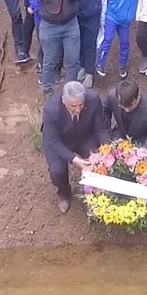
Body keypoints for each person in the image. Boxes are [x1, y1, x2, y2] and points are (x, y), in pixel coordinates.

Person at [43, 81, 110, 213]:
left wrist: (106, 148)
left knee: (98, 163)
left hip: (85, 136)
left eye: (81, 104)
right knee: (57, 171)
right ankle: (64, 193)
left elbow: (101, 128)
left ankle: (96, 194)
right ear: (64, 101)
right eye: (73, 106)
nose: (78, 109)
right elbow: (53, 141)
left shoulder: (94, 99)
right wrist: (74, 159)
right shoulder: (51, 109)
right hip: (60, 141)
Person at [28, 0, 84, 92]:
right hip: (49, 24)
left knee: (73, 60)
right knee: (49, 61)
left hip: (70, 23)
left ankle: (71, 91)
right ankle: (47, 91)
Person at [98, 0, 141, 77]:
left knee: (125, 42)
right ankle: (100, 63)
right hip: (113, 17)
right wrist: (114, 10)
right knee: (107, 39)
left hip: (125, 21)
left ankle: (122, 65)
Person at [76, 0, 106, 85]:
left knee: (90, 44)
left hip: (93, 17)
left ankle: (89, 72)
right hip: (77, 16)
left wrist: (102, 17)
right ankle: (81, 66)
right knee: (79, 43)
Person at [108, 78, 147, 150]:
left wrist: (141, 154)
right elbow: (105, 114)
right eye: (123, 107)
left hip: (141, 139)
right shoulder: (111, 97)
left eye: (132, 105)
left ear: (139, 95)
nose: (127, 110)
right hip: (121, 132)